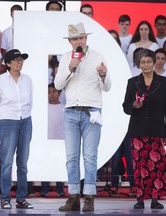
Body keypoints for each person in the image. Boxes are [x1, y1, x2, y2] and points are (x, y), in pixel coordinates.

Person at [54, 22, 111, 212]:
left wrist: (103, 75)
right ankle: (73, 196)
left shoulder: (97, 57)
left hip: (92, 111)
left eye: (81, 37)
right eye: (75, 38)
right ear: (70, 41)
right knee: (71, 157)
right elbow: (58, 85)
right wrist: (70, 67)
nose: (78, 41)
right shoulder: (65, 58)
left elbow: (107, 87)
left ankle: (89, 197)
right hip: (71, 111)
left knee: (90, 156)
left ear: (86, 38)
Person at [122, 48, 166, 209]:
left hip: (157, 131)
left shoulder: (164, 82)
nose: (146, 64)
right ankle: (140, 199)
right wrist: (134, 105)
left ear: (154, 63)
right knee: (139, 165)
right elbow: (125, 107)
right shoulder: (132, 82)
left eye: (149, 61)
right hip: (137, 131)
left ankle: (155, 199)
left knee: (156, 165)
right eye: (143, 62)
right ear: (138, 64)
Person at [0, 49, 33, 209]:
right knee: (7, 162)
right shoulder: (0, 81)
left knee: (23, 163)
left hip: (25, 120)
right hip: (8, 121)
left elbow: (29, 103)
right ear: (8, 63)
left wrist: (25, 117)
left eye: (21, 59)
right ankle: (5, 198)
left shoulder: (27, 80)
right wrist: (0, 123)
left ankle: (21, 198)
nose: (19, 62)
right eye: (16, 60)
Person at [40, 83, 66, 197]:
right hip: (46, 140)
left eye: (54, 91)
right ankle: (44, 189)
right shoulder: (43, 107)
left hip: (60, 140)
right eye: (49, 92)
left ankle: (60, 189)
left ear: (59, 93)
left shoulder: (64, 108)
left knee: (59, 165)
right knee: (45, 165)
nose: (51, 94)